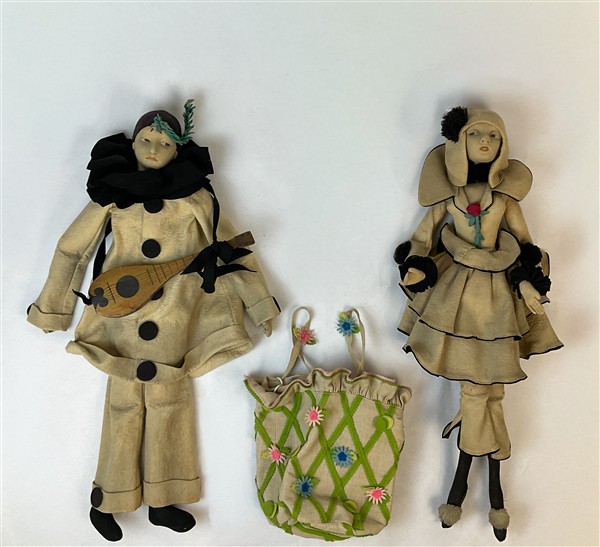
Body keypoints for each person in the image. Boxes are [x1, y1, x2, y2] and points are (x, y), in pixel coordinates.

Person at [27, 100, 280, 541]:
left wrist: (260, 305)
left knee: (171, 403)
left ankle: (164, 498)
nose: (153, 147)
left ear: (178, 150)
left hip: (177, 314)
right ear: (133, 143)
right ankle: (109, 498)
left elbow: (231, 249)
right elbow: (73, 249)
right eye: (146, 138)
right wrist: (54, 307)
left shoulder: (196, 196)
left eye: (164, 143)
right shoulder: (114, 193)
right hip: (121, 317)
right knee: (122, 406)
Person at [394, 107, 562, 542]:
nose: (485, 142)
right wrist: (415, 267)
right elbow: (423, 237)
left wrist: (528, 281)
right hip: (456, 297)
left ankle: (464, 492)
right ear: (458, 144)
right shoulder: (447, 199)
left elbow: (526, 245)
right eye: (475, 134)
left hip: (498, 297)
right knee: (481, 393)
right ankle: (494, 498)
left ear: (502, 146)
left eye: (493, 136)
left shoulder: (505, 201)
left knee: (487, 392)